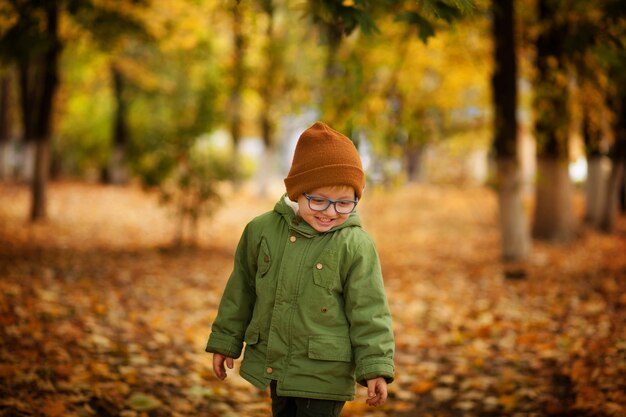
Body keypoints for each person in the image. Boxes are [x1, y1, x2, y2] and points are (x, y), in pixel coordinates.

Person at [205, 121, 395, 417]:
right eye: (319, 200)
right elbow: (241, 290)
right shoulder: (261, 231)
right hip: (276, 367)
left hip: (325, 373)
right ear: (297, 191)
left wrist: (376, 367)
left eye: (344, 203)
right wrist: (226, 341)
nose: (331, 212)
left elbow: (369, 311)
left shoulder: (355, 245)